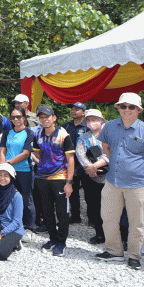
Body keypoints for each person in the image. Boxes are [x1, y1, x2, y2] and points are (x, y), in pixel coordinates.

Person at [95, 92, 144, 270]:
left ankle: (134, 257)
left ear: (139, 110)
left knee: (137, 223)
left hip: (139, 185)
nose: (127, 110)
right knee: (108, 218)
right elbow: (105, 146)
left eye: (131, 107)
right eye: (123, 106)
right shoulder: (110, 126)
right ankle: (114, 252)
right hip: (113, 181)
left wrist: (141, 170)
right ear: (118, 107)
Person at [33, 104, 75, 257]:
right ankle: (52, 238)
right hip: (42, 177)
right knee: (47, 210)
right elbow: (36, 153)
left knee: (62, 211)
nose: (44, 120)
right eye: (41, 117)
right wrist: (43, 165)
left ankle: (62, 242)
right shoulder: (37, 134)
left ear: (54, 118)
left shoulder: (64, 135)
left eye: (47, 116)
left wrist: (69, 182)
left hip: (60, 177)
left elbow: (71, 159)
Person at [0, 107, 36, 229]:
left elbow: (26, 153)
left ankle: (29, 225)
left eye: (18, 117)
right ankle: (10, 222)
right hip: (8, 171)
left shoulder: (29, 133)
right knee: (8, 197)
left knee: (26, 198)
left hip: (24, 170)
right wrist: (3, 167)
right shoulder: (7, 133)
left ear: (24, 118)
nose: (16, 119)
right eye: (13, 117)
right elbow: (3, 151)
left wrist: (8, 163)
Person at [75, 109, 108, 244]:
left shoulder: (109, 135)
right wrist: (90, 168)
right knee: (94, 206)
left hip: (109, 177)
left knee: (111, 207)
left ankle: (116, 236)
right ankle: (100, 233)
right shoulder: (84, 137)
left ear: (101, 120)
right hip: (91, 177)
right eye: (88, 120)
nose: (91, 122)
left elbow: (112, 152)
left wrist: (97, 165)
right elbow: (80, 154)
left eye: (94, 119)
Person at [62, 102, 87, 224]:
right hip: (70, 163)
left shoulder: (88, 126)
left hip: (85, 162)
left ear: (83, 112)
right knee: (73, 190)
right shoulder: (66, 126)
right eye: (72, 109)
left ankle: (93, 217)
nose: (73, 111)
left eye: (77, 109)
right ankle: (75, 215)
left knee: (89, 192)